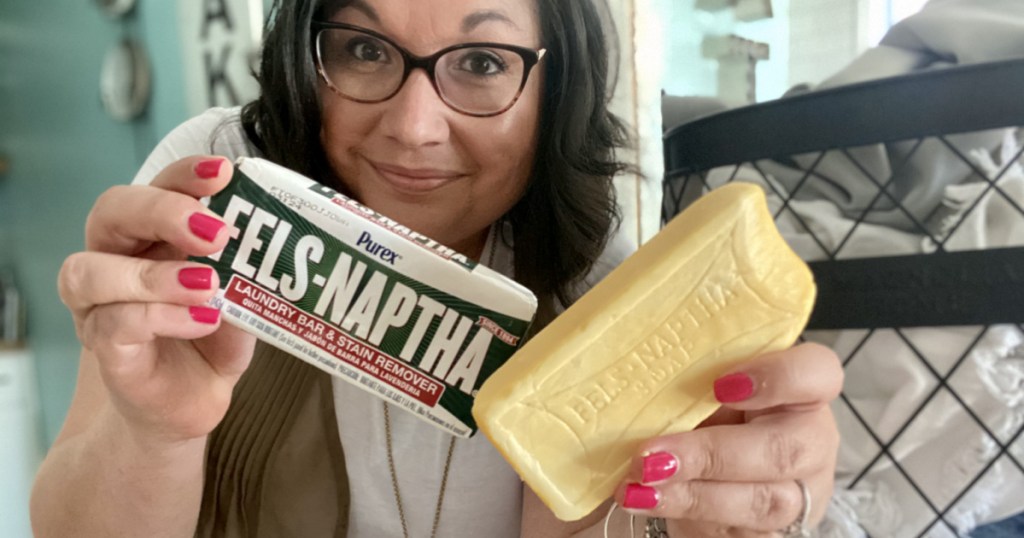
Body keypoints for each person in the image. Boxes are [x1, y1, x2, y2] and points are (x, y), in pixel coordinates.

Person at [30, 0, 843, 536]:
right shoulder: (217, 185)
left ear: (555, 84)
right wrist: (156, 432)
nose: (414, 127)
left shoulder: (596, 279)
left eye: (483, 63)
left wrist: (683, 515)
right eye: (362, 49)